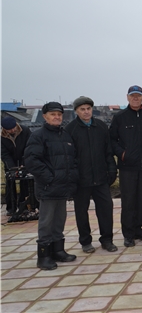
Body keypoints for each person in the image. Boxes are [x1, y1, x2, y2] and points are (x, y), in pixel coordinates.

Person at [24, 102, 78, 270]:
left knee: (59, 220)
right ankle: (44, 256)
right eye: (53, 114)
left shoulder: (65, 135)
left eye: (59, 114)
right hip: (48, 188)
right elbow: (32, 161)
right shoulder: (38, 136)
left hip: (63, 187)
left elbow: (72, 159)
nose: (57, 117)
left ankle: (58, 250)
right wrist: (49, 178)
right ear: (45, 116)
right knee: (46, 223)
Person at [65, 96, 118, 253]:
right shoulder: (71, 129)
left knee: (106, 209)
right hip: (81, 179)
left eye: (88, 108)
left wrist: (112, 169)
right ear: (76, 111)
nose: (86, 112)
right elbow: (69, 156)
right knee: (81, 212)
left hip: (101, 177)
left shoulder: (101, 126)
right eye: (82, 109)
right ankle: (85, 241)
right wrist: (74, 175)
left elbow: (108, 152)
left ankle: (107, 240)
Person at [109, 85, 142, 248]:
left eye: (138, 96)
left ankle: (138, 230)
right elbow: (112, 140)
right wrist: (122, 154)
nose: (136, 98)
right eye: (132, 96)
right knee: (128, 201)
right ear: (127, 98)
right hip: (128, 166)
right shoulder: (120, 117)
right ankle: (128, 234)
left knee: (141, 199)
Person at [1, 117, 32, 215]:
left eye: (13, 128)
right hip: (10, 162)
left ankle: (25, 206)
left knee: (25, 183)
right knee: (10, 184)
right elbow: (4, 154)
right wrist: (12, 167)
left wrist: (24, 161)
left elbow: (29, 146)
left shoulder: (25, 130)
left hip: (24, 159)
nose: (12, 131)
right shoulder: (2, 137)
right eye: (9, 130)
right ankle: (11, 208)